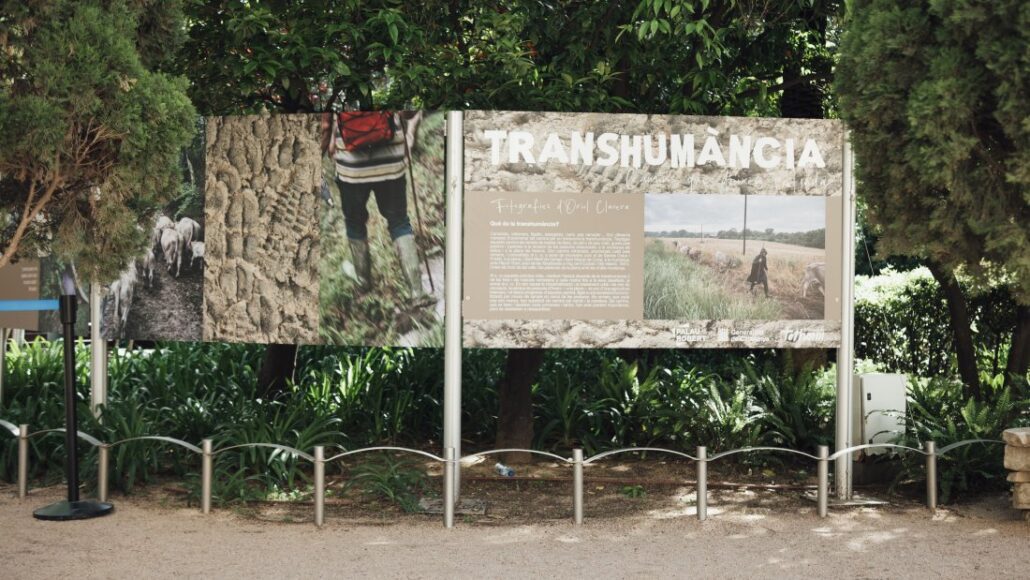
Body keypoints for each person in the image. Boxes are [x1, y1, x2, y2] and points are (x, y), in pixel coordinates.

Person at [322, 111, 426, 301]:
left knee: (354, 222)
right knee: (399, 221)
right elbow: (410, 112)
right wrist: (407, 131)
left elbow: (325, 126)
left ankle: (363, 282)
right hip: (391, 162)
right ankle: (417, 292)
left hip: (351, 166)